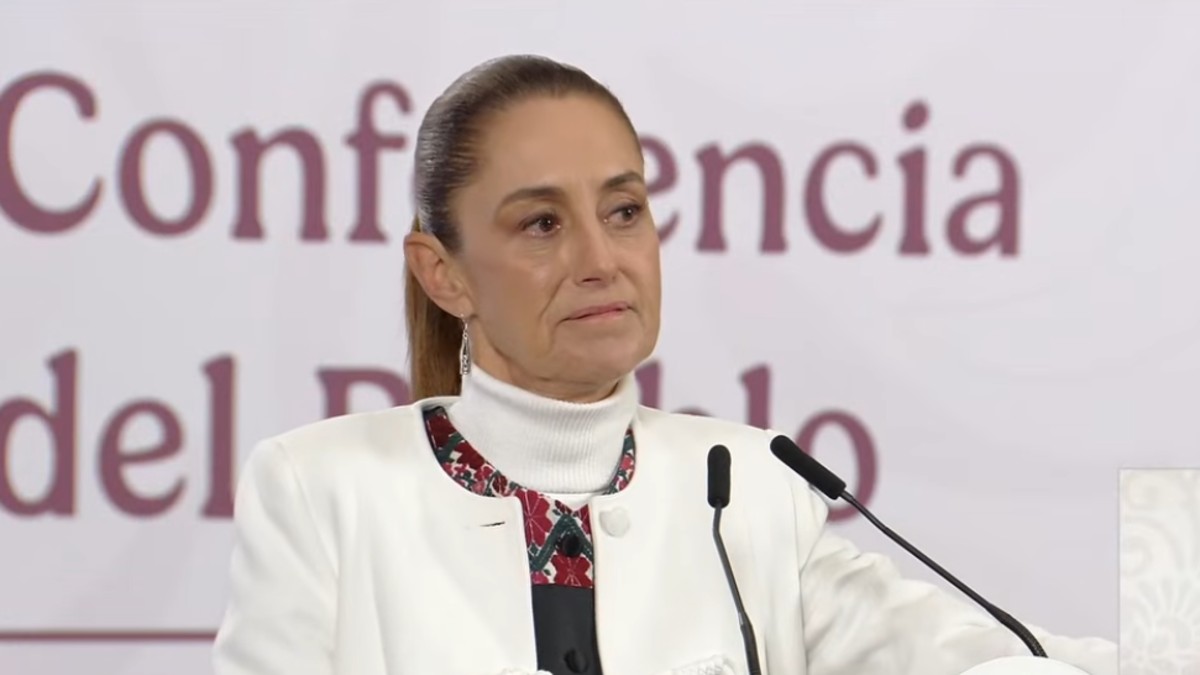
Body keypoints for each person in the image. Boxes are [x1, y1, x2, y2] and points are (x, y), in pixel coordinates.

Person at [211, 54, 1117, 675]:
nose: (601, 259)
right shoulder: (320, 490)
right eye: (540, 223)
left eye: (625, 210)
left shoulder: (750, 485)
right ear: (442, 271)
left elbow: (980, 656)